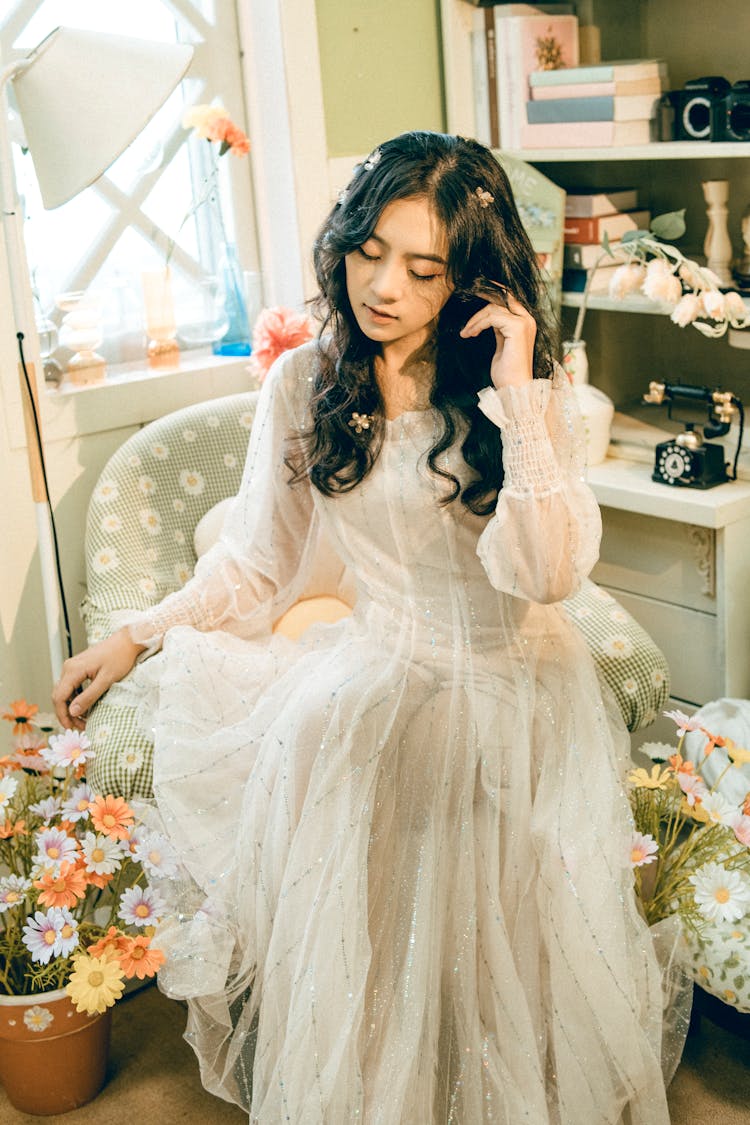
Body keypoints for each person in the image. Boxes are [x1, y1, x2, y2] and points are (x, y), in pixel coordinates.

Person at [53, 131, 680, 1123]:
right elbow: (256, 560)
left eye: (423, 267)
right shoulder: (307, 383)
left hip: (518, 682)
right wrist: (138, 631)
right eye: (367, 251)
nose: (381, 285)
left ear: (475, 279)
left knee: (506, 955)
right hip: (382, 672)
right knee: (374, 940)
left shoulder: (529, 395)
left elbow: (549, 573)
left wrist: (517, 388)